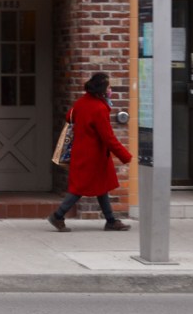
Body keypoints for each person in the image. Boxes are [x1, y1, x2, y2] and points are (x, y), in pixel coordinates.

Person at [47, 72, 133, 232]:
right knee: (79, 188)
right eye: (109, 87)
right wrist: (125, 156)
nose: (110, 90)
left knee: (101, 187)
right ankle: (58, 215)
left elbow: (69, 117)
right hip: (93, 156)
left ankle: (110, 220)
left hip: (83, 152)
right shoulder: (99, 109)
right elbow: (108, 138)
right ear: (102, 90)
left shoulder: (81, 103)